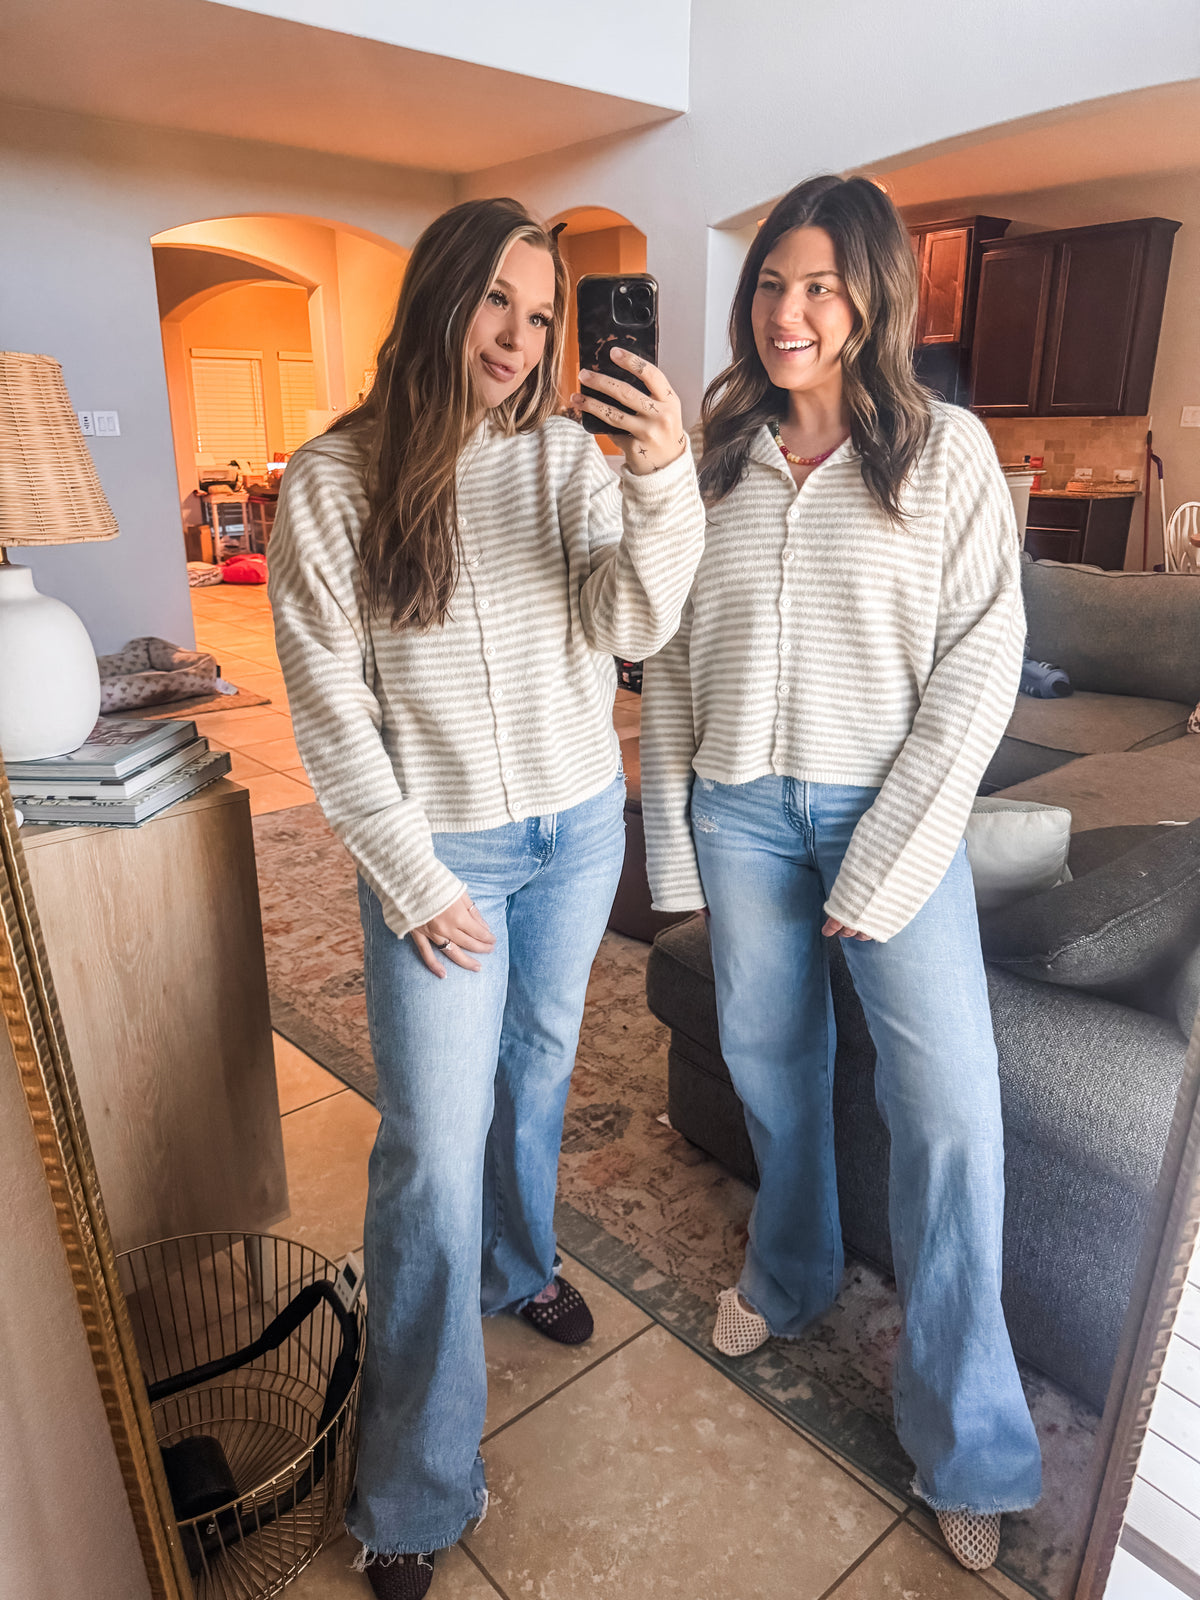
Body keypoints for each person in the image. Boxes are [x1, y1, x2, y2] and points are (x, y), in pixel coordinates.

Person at [268, 196, 704, 1598]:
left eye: (542, 312)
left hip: (579, 827)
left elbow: (638, 628)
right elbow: (331, 713)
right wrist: (408, 873)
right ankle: (411, 1488)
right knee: (428, 1156)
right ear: (441, 299)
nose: (519, 338)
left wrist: (658, 477)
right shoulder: (333, 482)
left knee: (542, 1064)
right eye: (495, 304)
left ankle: (526, 1266)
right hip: (442, 856)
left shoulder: (571, 462)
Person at [640, 174, 1042, 1573]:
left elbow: (980, 673)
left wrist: (883, 858)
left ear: (873, 295)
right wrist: (672, 846)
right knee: (772, 1067)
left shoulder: (947, 454)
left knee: (946, 1115)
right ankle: (793, 1274)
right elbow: (673, 662)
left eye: (819, 285)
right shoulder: (714, 453)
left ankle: (971, 1442)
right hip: (742, 810)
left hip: (897, 815)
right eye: (770, 285)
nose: (790, 312)